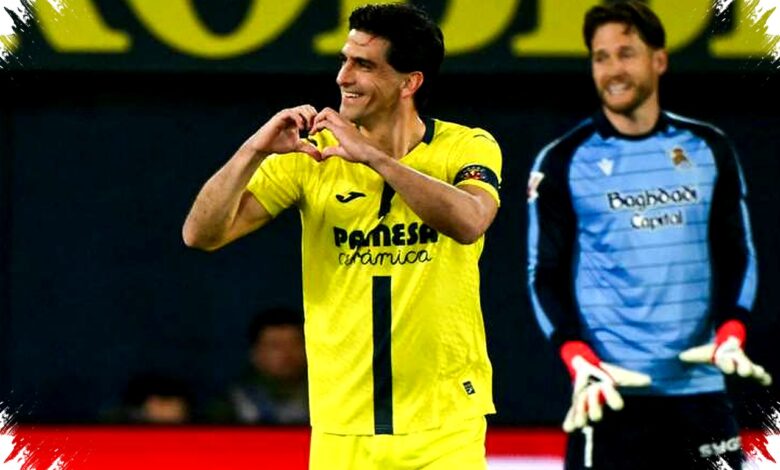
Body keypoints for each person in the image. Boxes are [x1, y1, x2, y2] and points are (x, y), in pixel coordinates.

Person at [182, 4, 502, 469]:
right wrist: (253, 150)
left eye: (364, 65)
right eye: (344, 59)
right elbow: (201, 234)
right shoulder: (311, 156)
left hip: (446, 424)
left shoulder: (467, 146)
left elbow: (470, 220)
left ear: (409, 82)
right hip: (342, 427)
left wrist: (373, 157)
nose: (343, 77)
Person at [526, 2, 771, 469]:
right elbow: (544, 274)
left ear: (659, 60)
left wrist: (732, 332)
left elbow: (738, 253)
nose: (613, 70)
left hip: (701, 394)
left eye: (626, 53)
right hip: (608, 394)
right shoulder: (562, 160)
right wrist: (578, 358)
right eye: (601, 57)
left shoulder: (709, 147)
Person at [210, 307, 309, 425]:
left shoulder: (323, 396)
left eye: (295, 343)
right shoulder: (232, 402)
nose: (287, 353)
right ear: (255, 353)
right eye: (275, 346)